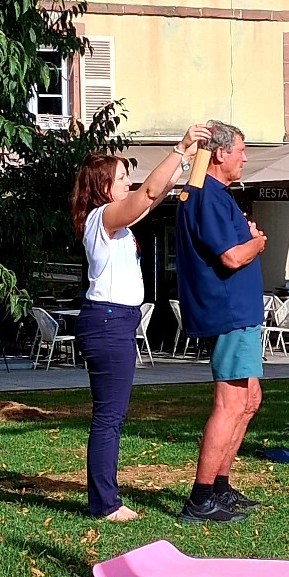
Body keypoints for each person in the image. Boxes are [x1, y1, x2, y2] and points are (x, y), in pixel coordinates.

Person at [71, 123, 211, 522]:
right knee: (109, 417)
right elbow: (147, 193)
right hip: (108, 321)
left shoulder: (116, 222)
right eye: (120, 178)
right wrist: (180, 149)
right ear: (102, 186)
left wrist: (183, 169)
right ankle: (105, 504)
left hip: (115, 320)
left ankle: (104, 499)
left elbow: (152, 198)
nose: (127, 182)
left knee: (111, 416)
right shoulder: (103, 217)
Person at [175, 121, 267, 523]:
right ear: (220, 153)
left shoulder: (214, 195)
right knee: (230, 404)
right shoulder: (206, 196)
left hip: (240, 312)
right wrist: (257, 242)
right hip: (229, 312)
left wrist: (247, 238)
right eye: (241, 151)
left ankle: (220, 486)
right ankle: (200, 498)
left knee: (249, 400)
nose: (245, 158)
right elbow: (230, 256)